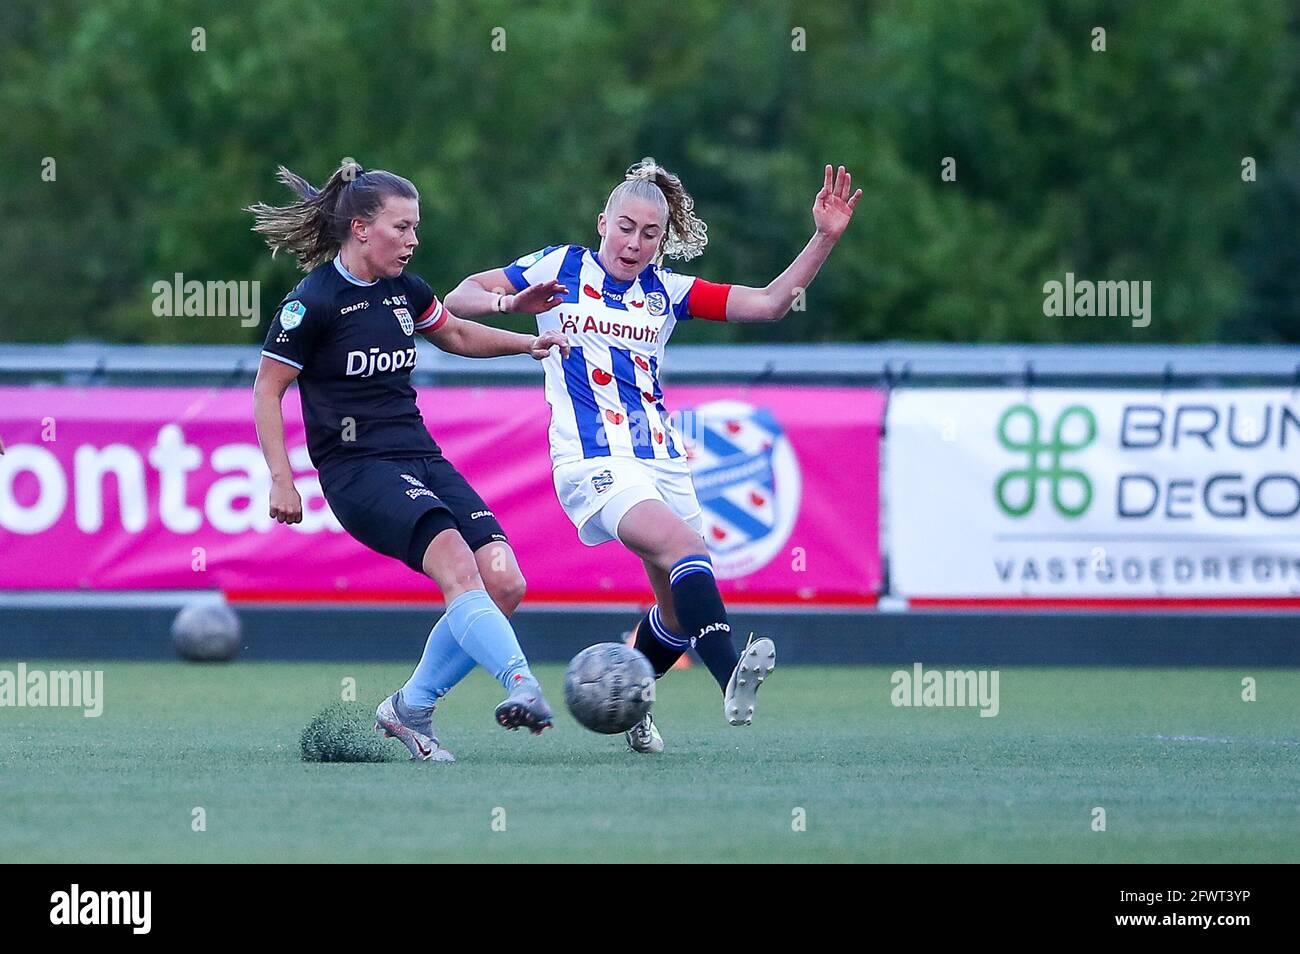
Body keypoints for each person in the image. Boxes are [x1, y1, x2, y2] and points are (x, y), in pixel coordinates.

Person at [445, 158, 861, 753]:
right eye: (625, 227)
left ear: (663, 241)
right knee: (687, 549)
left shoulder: (669, 291)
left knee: (673, 606)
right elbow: (461, 297)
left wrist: (823, 237)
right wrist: (511, 304)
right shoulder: (561, 266)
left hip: (661, 458)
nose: (634, 243)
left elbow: (770, 304)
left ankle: (632, 699)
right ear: (601, 223)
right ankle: (729, 675)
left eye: (650, 234)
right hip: (592, 459)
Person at [248, 159, 569, 762]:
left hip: (421, 456)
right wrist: (281, 478)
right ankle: (522, 684)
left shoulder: (407, 289)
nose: (414, 240)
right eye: (403, 228)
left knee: (503, 582)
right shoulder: (311, 302)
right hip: (357, 470)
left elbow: (455, 334)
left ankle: (409, 708)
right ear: (362, 229)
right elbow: (267, 389)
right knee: (457, 565)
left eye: (417, 227)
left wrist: (530, 342)